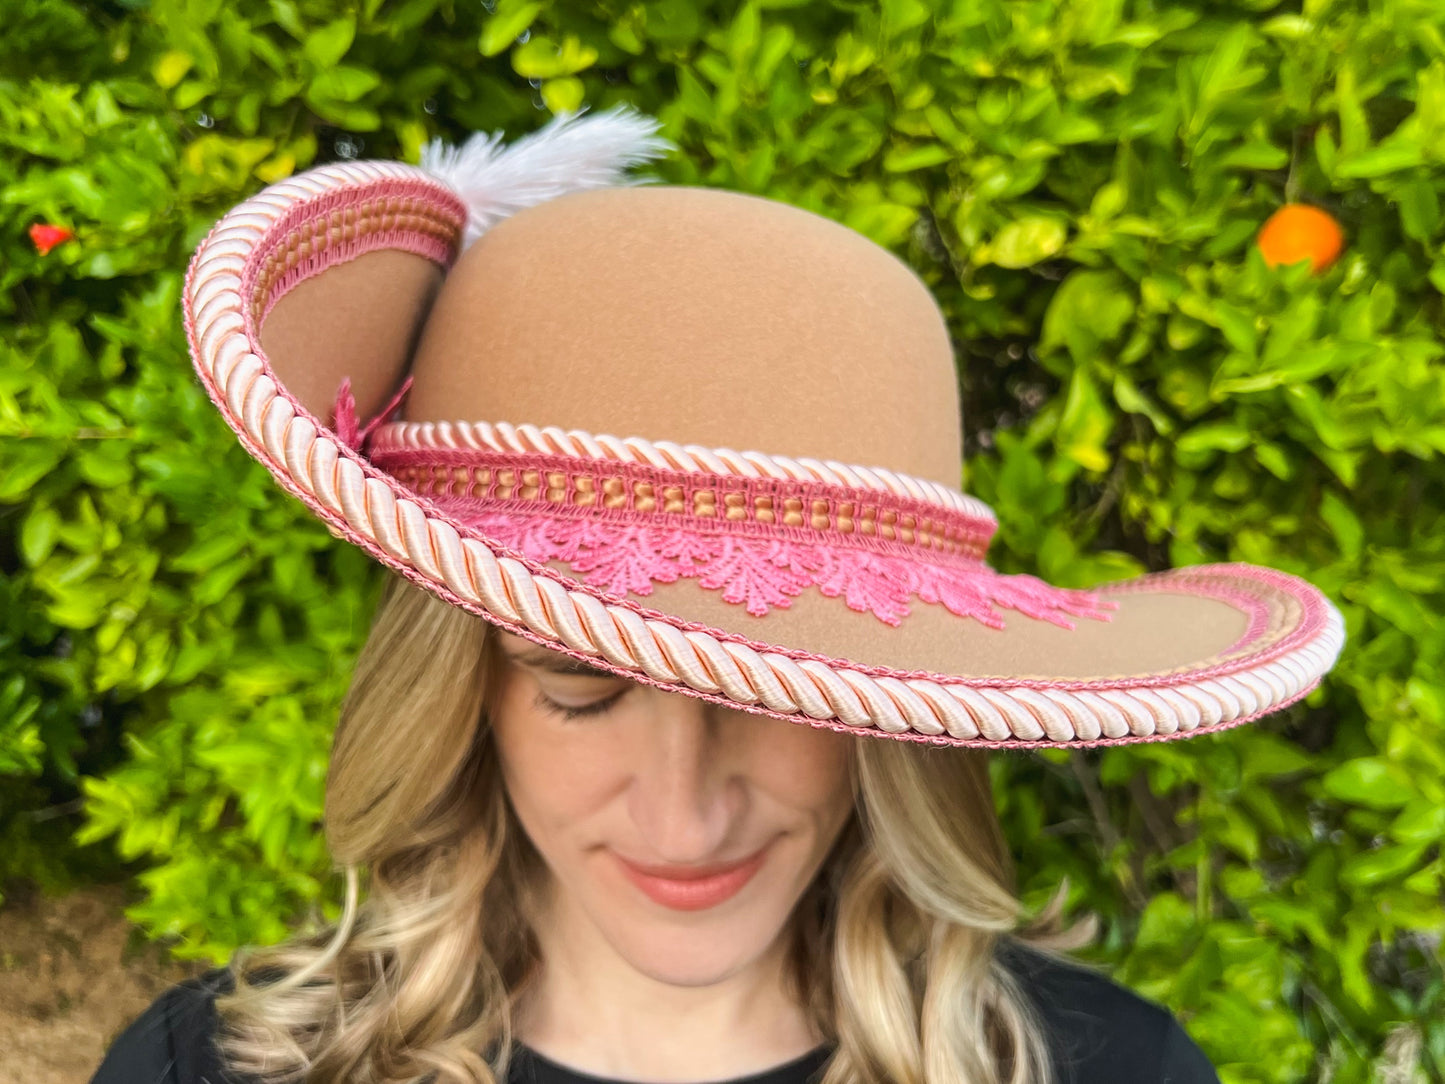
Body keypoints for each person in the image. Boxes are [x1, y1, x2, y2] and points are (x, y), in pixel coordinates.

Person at [92, 106, 1343, 1083]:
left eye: (782, 692)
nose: (685, 815)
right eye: (580, 687)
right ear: (458, 684)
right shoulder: (212, 1072)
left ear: (892, 716)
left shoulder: (1112, 1073)